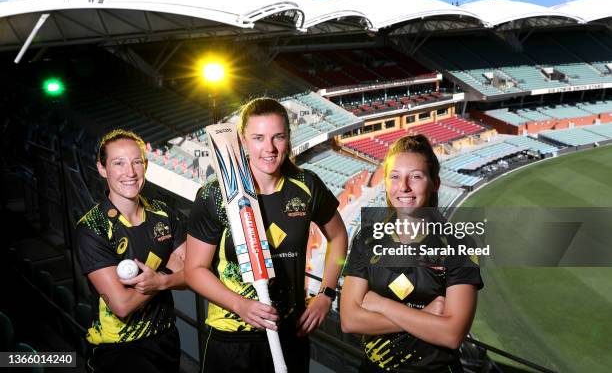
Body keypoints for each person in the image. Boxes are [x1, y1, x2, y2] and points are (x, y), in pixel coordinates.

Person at [185, 97, 348, 373]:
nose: (269, 148)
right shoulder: (215, 195)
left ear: (288, 138)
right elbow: (194, 270)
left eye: (278, 137)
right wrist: (240, 305)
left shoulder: (306, 185)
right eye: (258, 137)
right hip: (232, 337)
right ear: (243, 141)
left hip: (290, 334)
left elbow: (339, 237)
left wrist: (326, 294)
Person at [340, 134, 483, 372]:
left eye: (415, 176)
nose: (403, 186)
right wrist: (425, 317)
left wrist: (381, 304)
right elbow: (349, 320)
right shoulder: (367, 239)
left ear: (435, 183)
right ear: (386, 182)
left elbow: (451, 334)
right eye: (395, 177)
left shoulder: (459, 244)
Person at [75, 129, 187, 373]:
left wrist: (164, 279)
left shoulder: (164, 213)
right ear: (102, 169)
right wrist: (165, 277)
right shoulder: (92, 228)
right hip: (119, 350)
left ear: (145, 165)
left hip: (166, 338)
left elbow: (193, 272)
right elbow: (122, 305)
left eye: (137, 162)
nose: (130, 172)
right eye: (119, 163)